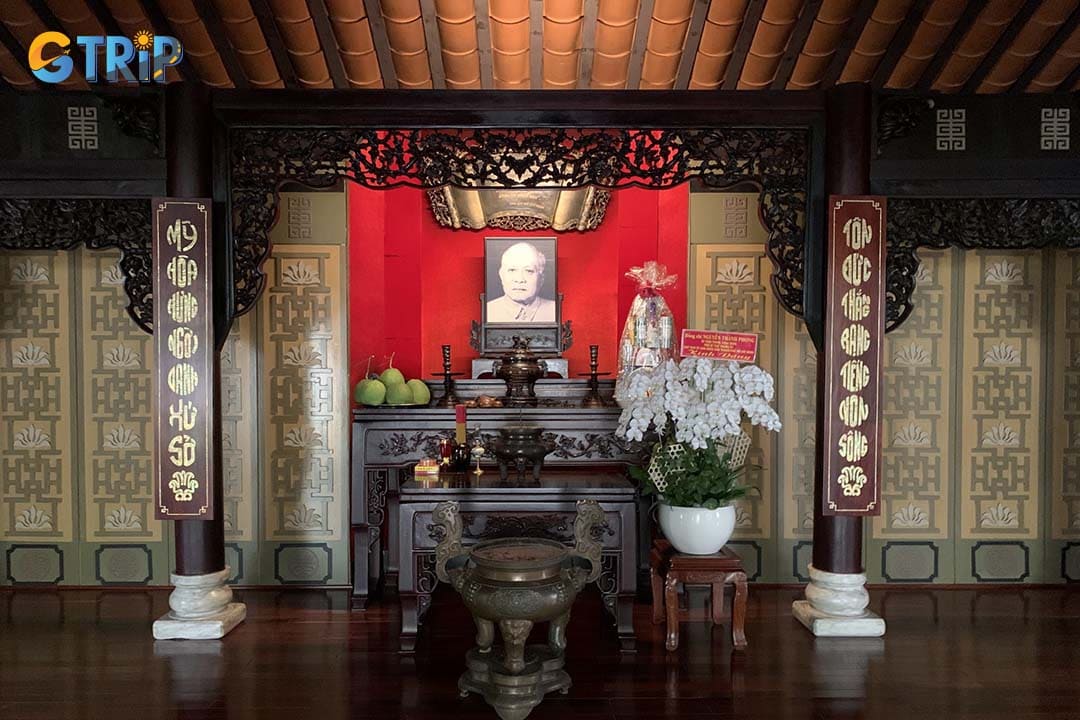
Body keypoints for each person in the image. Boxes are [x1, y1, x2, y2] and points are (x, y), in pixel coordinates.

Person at [486, 241, 556, 323]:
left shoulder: (555, 311)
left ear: (541, 279)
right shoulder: (488, 311)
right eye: (512, 270)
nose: (520, 279)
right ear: (501, 275)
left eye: (529, 271)